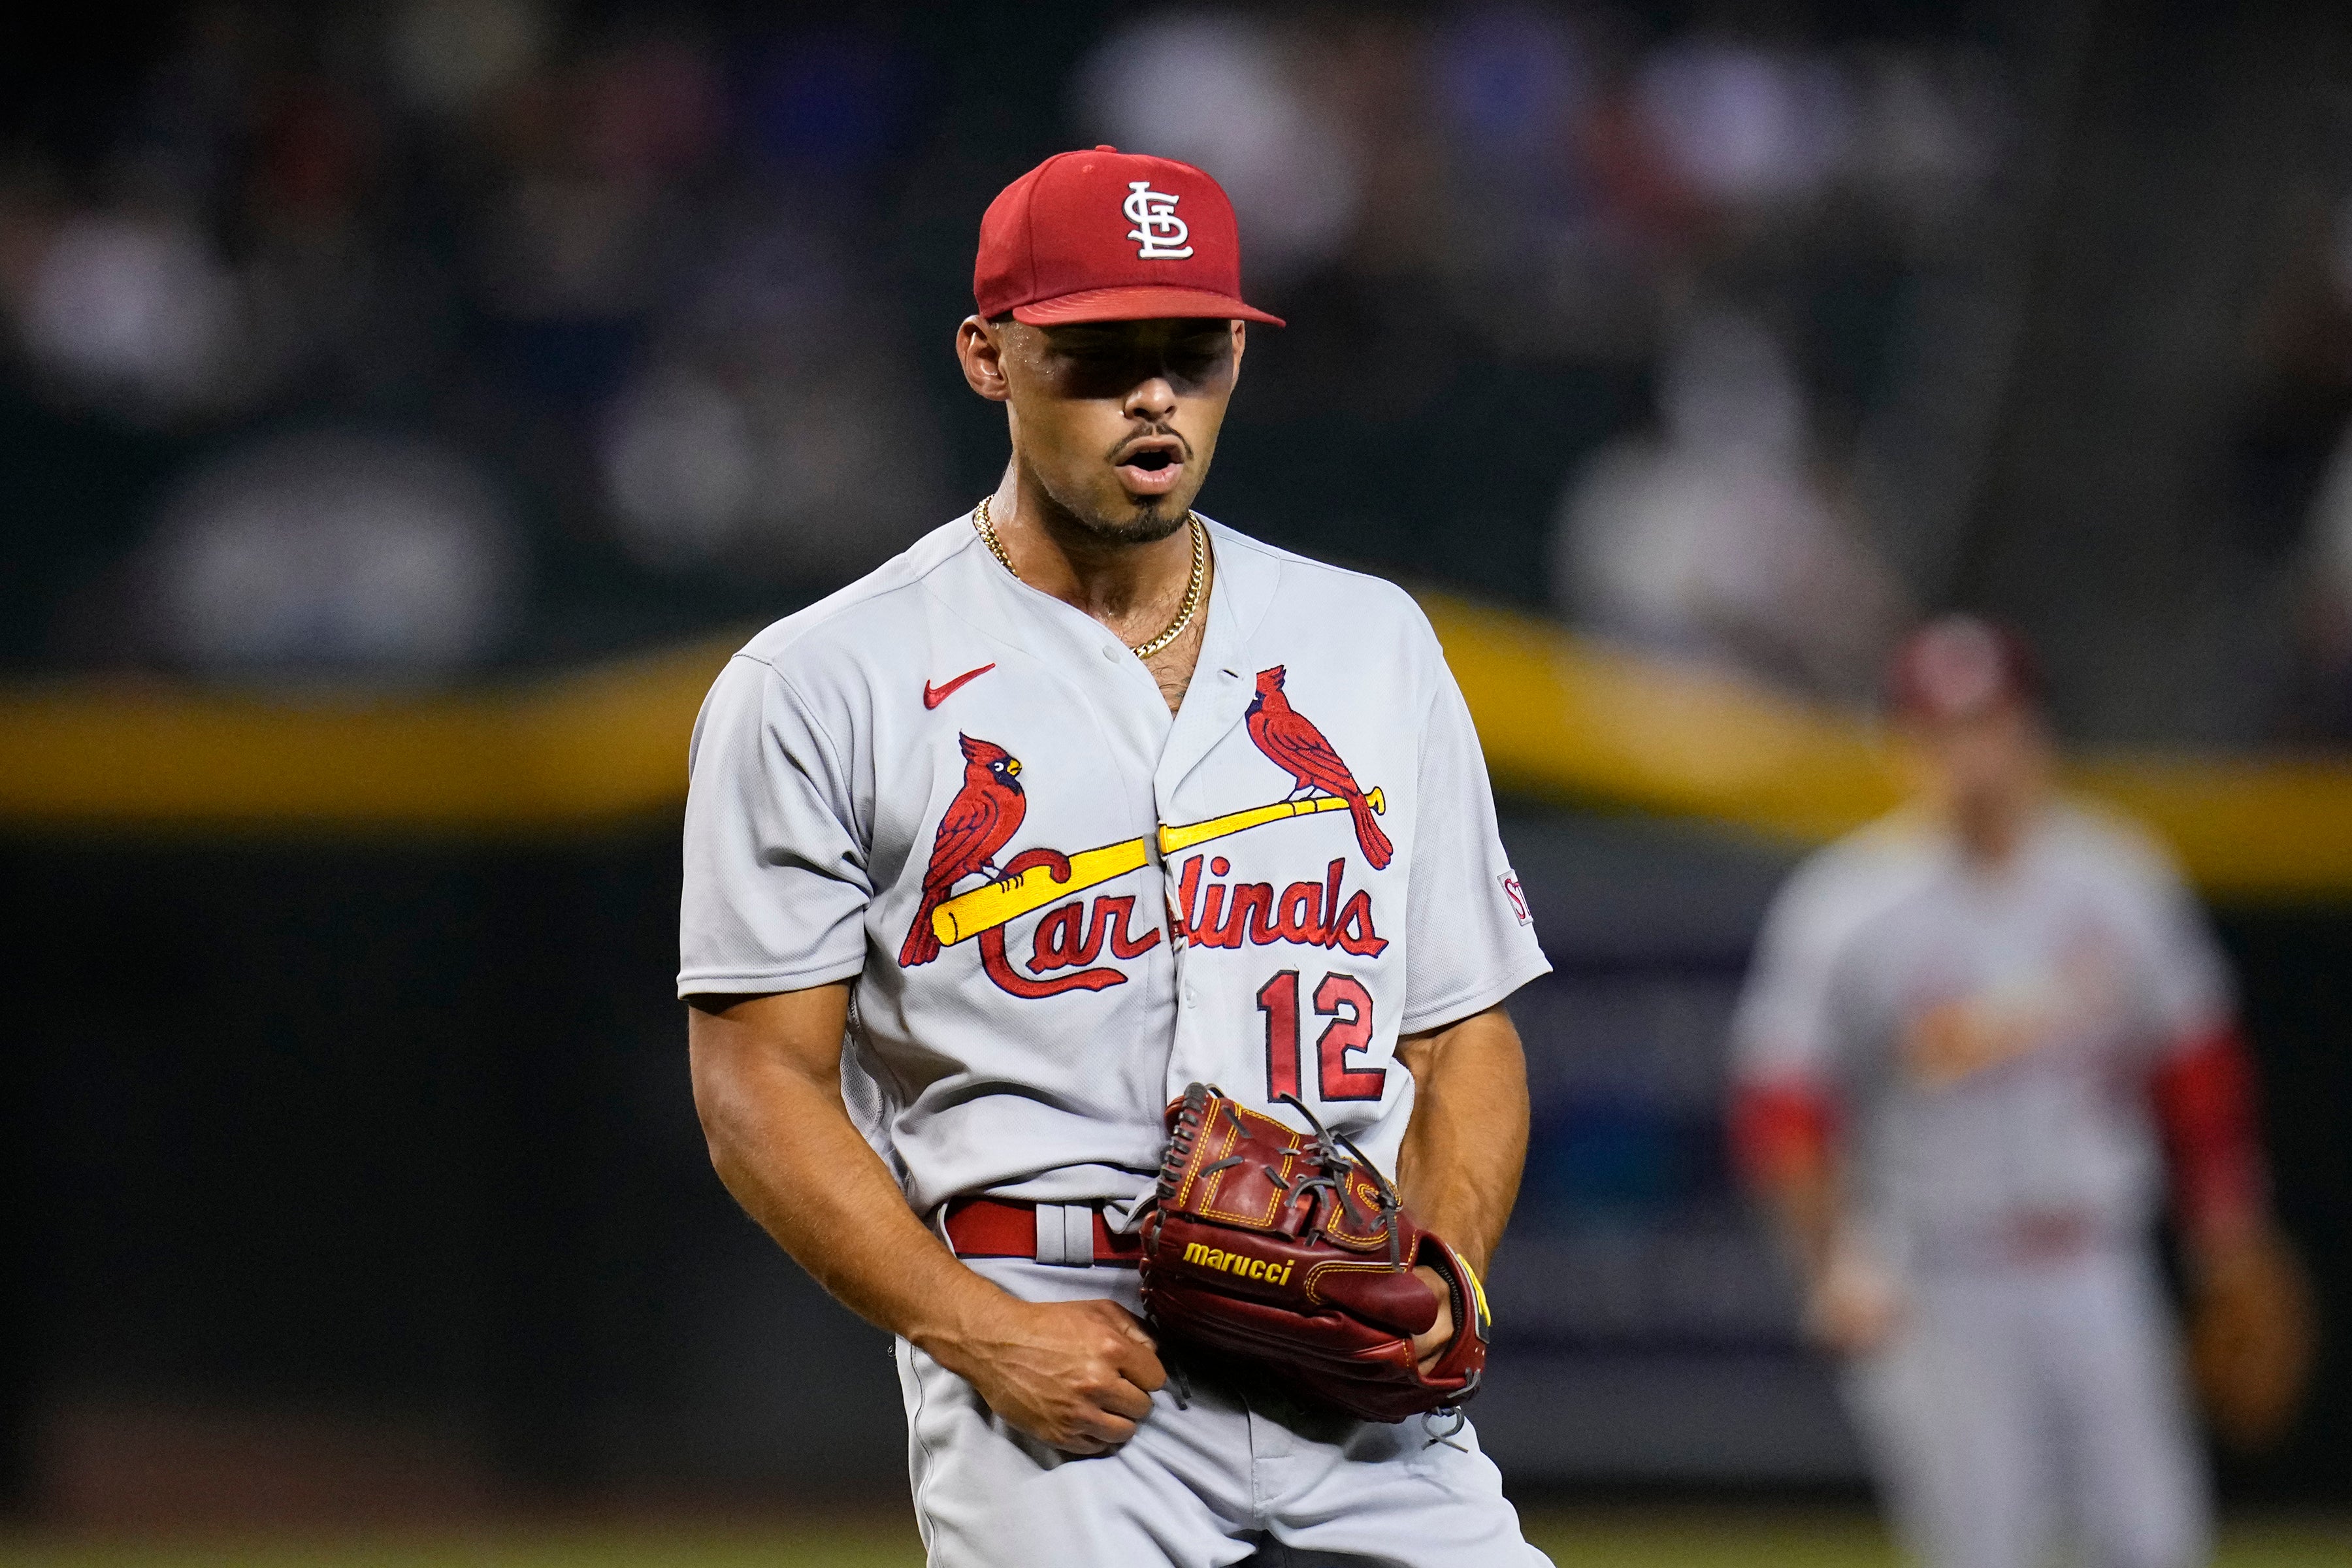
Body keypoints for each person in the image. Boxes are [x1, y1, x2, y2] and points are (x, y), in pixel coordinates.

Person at [678, 146, 1554, 1566]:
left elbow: (1464, 1033)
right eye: (1097, 353)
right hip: (1055, 1346)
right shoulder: (823, 682)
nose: (1154, 393)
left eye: (1192, 351)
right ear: (988, 356)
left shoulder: (1368, 639)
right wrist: (979, 1333)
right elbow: (753, 1082)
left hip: (1347, 1338)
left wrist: (1439, 1275)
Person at [1728, 615, 2311, 1568]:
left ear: (2034, 732)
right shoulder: (1848, 908)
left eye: (1990, 725)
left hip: (2097, 1261)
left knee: (2155, 1540)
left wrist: (2229, 1227)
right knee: (1986, 1548)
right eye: (1942, 731)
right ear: (1903, 747)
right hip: (1941, 1276)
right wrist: (1828, 1260)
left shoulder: (2119, 880)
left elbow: (2196, 1066)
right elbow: (1783, 1104)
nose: (1972, 757)